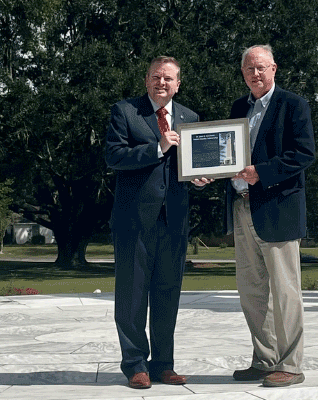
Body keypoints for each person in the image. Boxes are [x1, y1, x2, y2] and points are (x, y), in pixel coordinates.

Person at [105, 56, 211, 389]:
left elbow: (191, 165)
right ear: (146, 80)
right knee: (133, 296)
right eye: (156, 77)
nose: (161, 83)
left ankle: (164, 364)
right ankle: (135, 364)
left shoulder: (190, 118)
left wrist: (199, 177)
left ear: (178, 84)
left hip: (175, 222)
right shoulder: (125, 112)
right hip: (134, 221)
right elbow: (114, 156)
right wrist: (157, 147)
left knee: (167, 294)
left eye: (168, 78)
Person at [225, 44, 316, 387]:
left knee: (285, 292)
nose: (255, 74)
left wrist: (262, 171)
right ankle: (264, 359)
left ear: (274, 69)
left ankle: (290, 365)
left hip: (278, 208)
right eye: (249, 69)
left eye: (261, 68)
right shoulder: (239, 108)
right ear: (243, 74)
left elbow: (304, 153)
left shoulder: (293, 105)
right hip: (241, 206)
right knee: (251, 291)